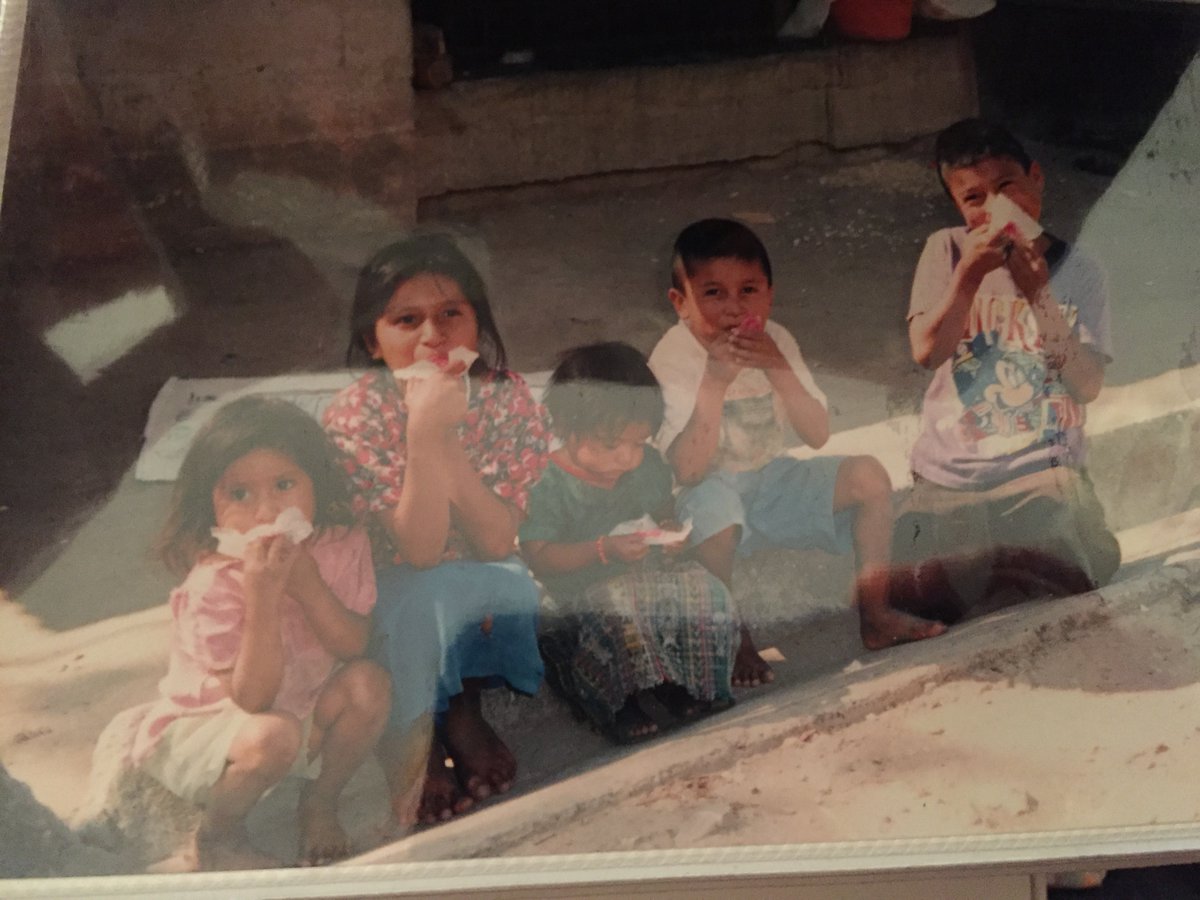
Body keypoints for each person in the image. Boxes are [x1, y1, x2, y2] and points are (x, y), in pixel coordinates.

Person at [649, 218, 946, 676]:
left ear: (769, 293)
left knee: (868, 475)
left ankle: (876, 613)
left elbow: (817, 434)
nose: (733, 308)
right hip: (706, 493)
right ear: (680, 304)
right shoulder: (672, 358)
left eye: (748, 291)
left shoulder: (778, 340)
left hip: (772, 481)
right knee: (715, 510)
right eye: (713, 293)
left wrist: (780, 371)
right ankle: (731, 635)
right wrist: (713, 383)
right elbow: (688, 471)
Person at [323, 234, 550, 826]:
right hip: (389, 587)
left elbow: (498, 542)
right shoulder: (356, 414)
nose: (434, 335)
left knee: (506, 586)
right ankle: (409, 732)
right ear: (375, 341)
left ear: (479, 323)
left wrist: (445, 436)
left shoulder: (508, 398)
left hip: (476, 570)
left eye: (452, 313)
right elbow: (419, 552)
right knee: (424, 596)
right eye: (407, 320)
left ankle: (461, 709)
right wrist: (424, 432)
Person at [131, 397, 390, 870]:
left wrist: (310, 587)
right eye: (240, 495)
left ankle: (319, 800)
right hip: (216, 727)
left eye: (285, 485)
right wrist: (263, 597)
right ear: (209, 503)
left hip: (303, 709)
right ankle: (217, 838)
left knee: (369, 684)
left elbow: (354, 646)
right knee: (275, 733)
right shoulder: (213, 584)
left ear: (317, 482)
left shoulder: (341, 543)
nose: (267, 510)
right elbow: (254, 697)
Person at [894, 117, 1120, 616]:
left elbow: (1086, 386)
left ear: (1036, 178)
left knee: (1084, 570)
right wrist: (969, 278)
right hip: (953, 474)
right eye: (974, 198)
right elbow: (928, 352)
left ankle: (1007, 557)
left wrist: (1040, 295)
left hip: (1038, 468)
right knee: (921, 595)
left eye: (1006, 187)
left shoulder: (1079, 269)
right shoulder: (947, 250)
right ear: (957, 205)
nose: (995, 208)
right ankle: (993, 561)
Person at [520, 342, 739, 744]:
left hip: (644, 578)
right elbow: (541, 558)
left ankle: (680, 681)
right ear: (569, 429)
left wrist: (671, 534)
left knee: (703, 588)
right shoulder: (547, 484)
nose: (626, 458)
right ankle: (617, 701)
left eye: (638, 444)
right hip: (580, 594)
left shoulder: (647, 469)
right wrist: (603, 549)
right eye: (611, 445)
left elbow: (662, 511)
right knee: (620, 606)